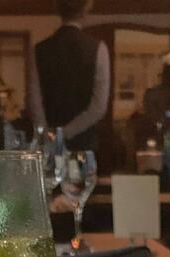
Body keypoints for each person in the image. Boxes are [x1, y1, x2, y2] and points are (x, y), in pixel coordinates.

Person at [28, 0, 111, 151]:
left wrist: (47, 134)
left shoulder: (39, 50)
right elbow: (98, 107)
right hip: (84, 144)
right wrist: (66, 132)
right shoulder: (98, 49)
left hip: (49, 142)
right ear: (85, 11)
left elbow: (35, 102)